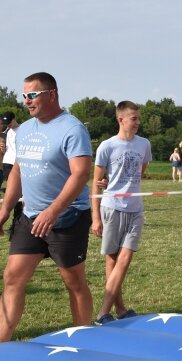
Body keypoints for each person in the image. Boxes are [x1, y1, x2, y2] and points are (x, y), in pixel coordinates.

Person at [0, 72, 93, 341]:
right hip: (29, 217)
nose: (26, 101)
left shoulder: (72, 128)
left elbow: (80, 173)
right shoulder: (25, 129)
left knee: (73, 281)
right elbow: (17, 170)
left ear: (51, 94)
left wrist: (53, 211)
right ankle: (2, 344)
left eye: (32, 95)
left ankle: (82, 341)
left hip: (67, 218)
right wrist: (6, 209)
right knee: (13, 277)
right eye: (24, 95)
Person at [91, 101, 152, 324]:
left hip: (135, 208)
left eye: (138, 118)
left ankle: (103, 312)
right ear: (121, 119)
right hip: (112, 208)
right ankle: (119, 310)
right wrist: (95, 217)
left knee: (124, 259)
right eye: (133, 118)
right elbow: (96, 184)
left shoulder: (144, 144)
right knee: (113, 260)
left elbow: (140, 171)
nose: (138, 122)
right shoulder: (107, 146)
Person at [1, 112, 18, 191]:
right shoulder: (7, 131)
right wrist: (3, 148)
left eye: (9, 122)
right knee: (11, 187)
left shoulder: (23, 129)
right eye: (5, 123)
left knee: (18, 186)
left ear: (14, 119)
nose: (7, 125)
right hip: (7, 162)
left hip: (17, 162)